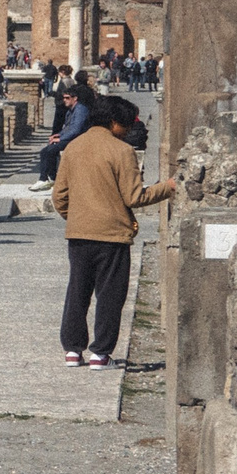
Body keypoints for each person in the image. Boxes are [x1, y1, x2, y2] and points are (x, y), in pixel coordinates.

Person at [52, 96, 175, 368]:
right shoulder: (122, 151)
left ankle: (72, 350)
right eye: (127, 124)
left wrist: (76, 217)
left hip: (79, 233)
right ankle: (101, 352)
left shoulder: (73, 147)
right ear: (113, 122)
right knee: (110, 295)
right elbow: (134, 197)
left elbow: (59, 196)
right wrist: (167, 187)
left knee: (78, 292)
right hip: (112, 236)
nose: (130, 130)